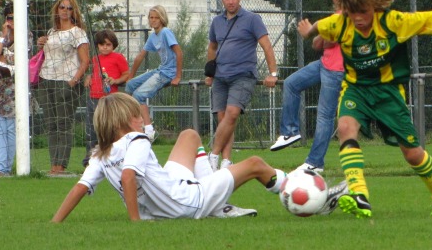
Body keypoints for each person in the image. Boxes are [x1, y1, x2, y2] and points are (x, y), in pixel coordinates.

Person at [296, 0, 432, 219]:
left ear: (375, 4)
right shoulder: (341, 23)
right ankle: (360, 195)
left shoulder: (392, 22)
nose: (358, 18)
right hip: (356, 89)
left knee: (412, 154)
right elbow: (319, 26)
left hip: (388, 93)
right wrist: (308, 32)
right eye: (352, 12)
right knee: (346, 128)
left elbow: (428, 17)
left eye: (363, 11)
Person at [51, 93, 288, 222]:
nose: (142, 121)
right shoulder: (137, 140)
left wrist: (55, 223)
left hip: (170, 190)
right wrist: (135, 222)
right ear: (123, 123)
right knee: (255, 164)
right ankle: (294, 186)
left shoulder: (100, 154)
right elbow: (128, 176)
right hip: (187, 202)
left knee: (189, 135)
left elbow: (79, 188)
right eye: (137, 117)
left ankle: (218, 204)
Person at [270, 0, 345, 174]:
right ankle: (290, 131)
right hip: (324, 63)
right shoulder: (334, 17)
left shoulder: (349, 15)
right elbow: (317, 44)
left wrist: (318, 34)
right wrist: (319, 35)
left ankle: (315, 162)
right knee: (291, 83)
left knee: (324, 115)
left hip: (337, 70)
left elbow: (327, 40)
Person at [205, 0, 278, 171]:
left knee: (232, 114)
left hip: (243, 75)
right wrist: (209, 73)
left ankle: (213, 155)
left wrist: (273, 73)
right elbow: (212, 47)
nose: (230, 2)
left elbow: (267, 45)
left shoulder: (252, 19)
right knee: (223, 120)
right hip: (220, 76)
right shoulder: (217, 22)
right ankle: (226, 161)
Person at [36, 0, 90, 176]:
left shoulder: (77, 32)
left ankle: (61, 165)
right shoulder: (52, 32)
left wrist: (74, 80)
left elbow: (85, 60)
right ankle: (53, 164)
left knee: (64, 123)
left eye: (69, 8)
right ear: (57, 10)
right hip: (47, 80)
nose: (65, 11)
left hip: (66, 82)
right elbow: (48, 56)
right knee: (51, 124)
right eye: (62, 7)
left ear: (74, 11)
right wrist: (41, 43)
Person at [0, 3, 31, 175]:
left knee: (12, 130)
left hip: (15, 92)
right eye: (9, 18)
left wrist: (4, 57)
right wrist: (4, 37)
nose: (12, 21)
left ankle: (7, 166)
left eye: (15, 18)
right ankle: (1, 167)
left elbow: (18, 60)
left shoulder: (27, 36)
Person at [82, 29, 130, 167]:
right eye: (102, 44)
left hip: (109, 100)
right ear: (97, 45)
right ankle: (90, 160)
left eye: (108, 44)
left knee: (110, 129)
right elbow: (92, 73)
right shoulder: (94, 59)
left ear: (113, 45)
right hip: (93, 97)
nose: (104, 47)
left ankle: (113, 158)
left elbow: (126, 74)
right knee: (91, 129)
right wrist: (89, 77)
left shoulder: (118, 57)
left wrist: (116, 80)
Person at [126, 5, 183, 112]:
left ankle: (146, 126)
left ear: (162, 18)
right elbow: (140, 56)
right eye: (151, 17)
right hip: (160, 70)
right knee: (130, 85)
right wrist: (131, 76)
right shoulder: (153, 36)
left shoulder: (166, 32)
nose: (153, 20)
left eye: (156, 17)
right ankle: (130, 114)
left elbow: (179, 53)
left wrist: (178, 76)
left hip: (168, 73)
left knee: (138, 95)